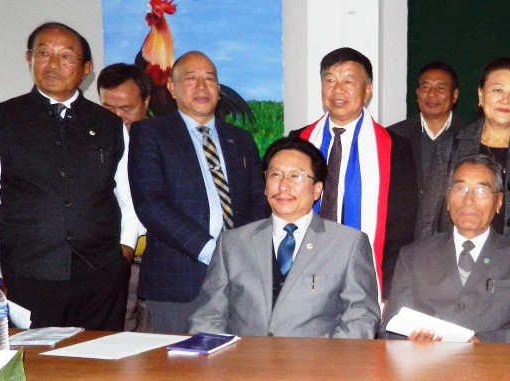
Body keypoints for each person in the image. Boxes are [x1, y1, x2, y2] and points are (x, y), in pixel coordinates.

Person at [0, 22, 140, 330]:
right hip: (26, 278)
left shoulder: (109, 125)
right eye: (43, 53)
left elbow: (128, 194)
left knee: (99, 371)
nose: (53, 63)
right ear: (28, 59)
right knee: (34, 372)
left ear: (86, 68)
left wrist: (124, 251)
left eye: (65, 56)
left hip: (101, 279)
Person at [129, 51, 268, 334]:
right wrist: (212, 250)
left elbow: (259, 198)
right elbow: (150, 204)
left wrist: (239, 250)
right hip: (178, 279)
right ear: (172, 88)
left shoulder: (240, 139)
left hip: (242, 277)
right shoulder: (150, 133)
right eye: (191, 78)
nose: (202, 86)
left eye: (210, 79)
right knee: (178, 369)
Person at [190, 138, 380, 338]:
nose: (283, 186)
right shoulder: (232, 244)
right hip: (244, 364)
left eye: (295, 176)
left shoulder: (348, 244)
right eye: (276, 175)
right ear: (265, 185)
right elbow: (208, 316)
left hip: (316, 365)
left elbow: (362, 316)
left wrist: (326, 362)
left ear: (317, 189)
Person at [418, 57, 510, 319]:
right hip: (455, 272)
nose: (505, 100)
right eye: (497, 90)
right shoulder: (451, 146)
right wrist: (421, 275)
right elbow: (428, 217)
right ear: (481, 96)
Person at [288, 47, 417, 299]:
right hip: (304, 271)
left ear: (367, 90)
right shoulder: (299, 141)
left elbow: (402, 224)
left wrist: (390, 288)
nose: (338, 90)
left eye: (348, 81)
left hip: (365, 275)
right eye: (330, 80)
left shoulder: (395, 147)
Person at [381, 154, 510, 343]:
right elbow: (389, 331)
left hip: (495, 368)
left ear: (499, 202)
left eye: (481, 190)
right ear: (447, 198)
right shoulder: (413, 257)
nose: (468, 200)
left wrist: (481, 342)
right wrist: (411, 341)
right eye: (460, 188)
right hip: (427, 368)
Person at [97, 62, 153, 332]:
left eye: (127, 109)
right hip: (115, 263)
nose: (117, 118)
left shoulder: (166, 144)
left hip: (159, 266)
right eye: (108, 109)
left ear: (147, 101)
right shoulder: (91, 146)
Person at [387, 61, 470, 191]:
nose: (432, 94)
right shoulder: (394, 135)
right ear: (417, 93)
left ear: (455, 95)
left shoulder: (471, 134)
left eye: (440, 88)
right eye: (425, 87)